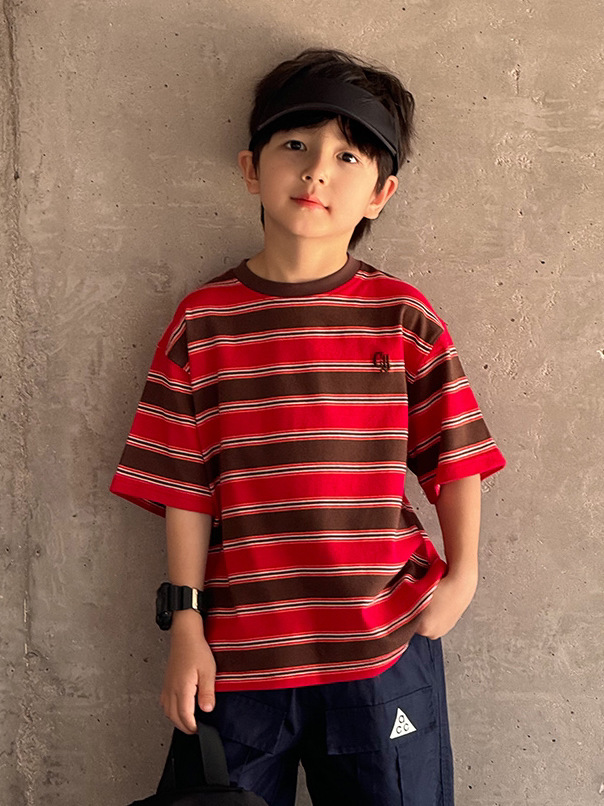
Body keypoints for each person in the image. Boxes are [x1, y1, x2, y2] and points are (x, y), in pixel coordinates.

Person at [110, 48, 505, 806]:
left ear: (380, 193)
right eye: (295, 144)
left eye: (347, 156)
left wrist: (465, 574)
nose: (317, 170)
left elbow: (455, 453)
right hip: (239, 655)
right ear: (251, 169)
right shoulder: (203, 324)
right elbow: (186, 487)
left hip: (384, 646)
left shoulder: (401, 317)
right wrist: (184, 625)